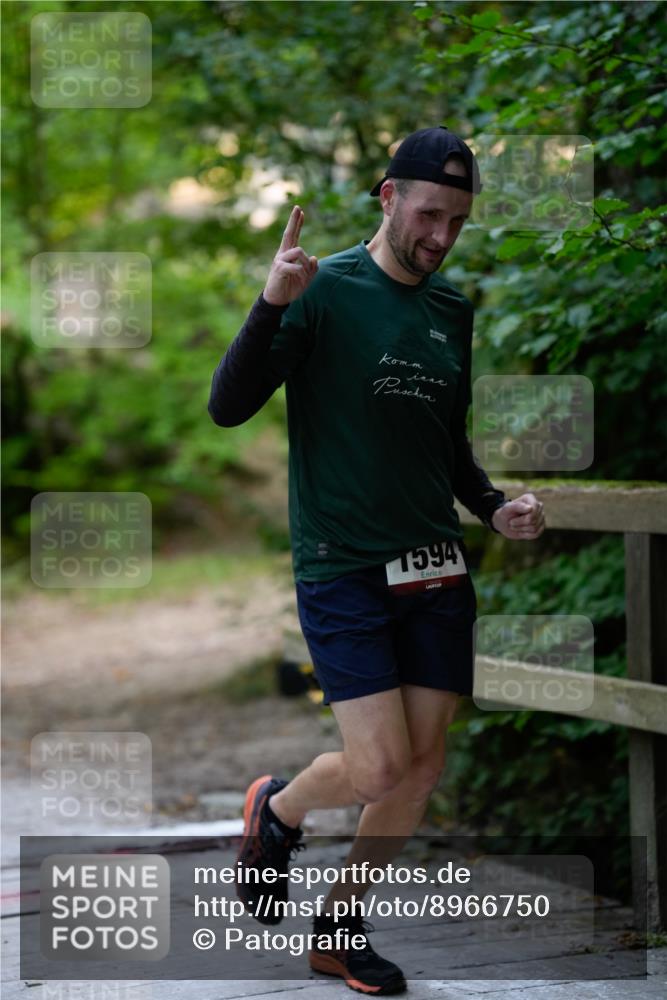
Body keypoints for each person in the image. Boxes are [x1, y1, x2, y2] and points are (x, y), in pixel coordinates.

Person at [208, 125, 545, 995]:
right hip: (343, 564)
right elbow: (227, 406)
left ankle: (339, 926)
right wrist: (270, 302)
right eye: (428, 214)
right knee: (379, 769)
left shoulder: (450, 311)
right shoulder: (322, 290)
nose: (441, 235)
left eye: (457, 221)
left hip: (434, 565)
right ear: (388, 197)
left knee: (422, 767)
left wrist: (491, 505)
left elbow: (444, 443)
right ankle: (278, 809)